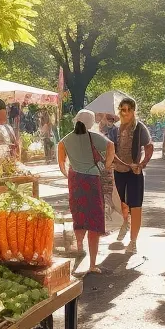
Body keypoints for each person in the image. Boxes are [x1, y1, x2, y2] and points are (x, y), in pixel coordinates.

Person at [58, 109, 114, 274]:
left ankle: (79, 247)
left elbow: (61, 161)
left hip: (75, 181)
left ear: (76, 121)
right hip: (92, 181)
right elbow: (111, 147)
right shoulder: (94, 137)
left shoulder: (65, 140)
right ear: (90, 123)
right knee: (94, 221)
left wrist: (66, 172)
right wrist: (107, 164)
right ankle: (92, 264)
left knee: (79, 215)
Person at [110, 96, 154, 254]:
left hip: (135, 172)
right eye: (123, 110)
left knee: (136, 206)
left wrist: (142, 164)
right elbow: (110, 150)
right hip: (119, 170)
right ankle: (125, 222)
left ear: (134, 111)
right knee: (121, 204)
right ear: (120, 111)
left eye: (129, 110)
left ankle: (133, 241)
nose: (126, 113)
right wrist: (115, 162)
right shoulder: (115, 128)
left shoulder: (140, 128)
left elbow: (149, 147)